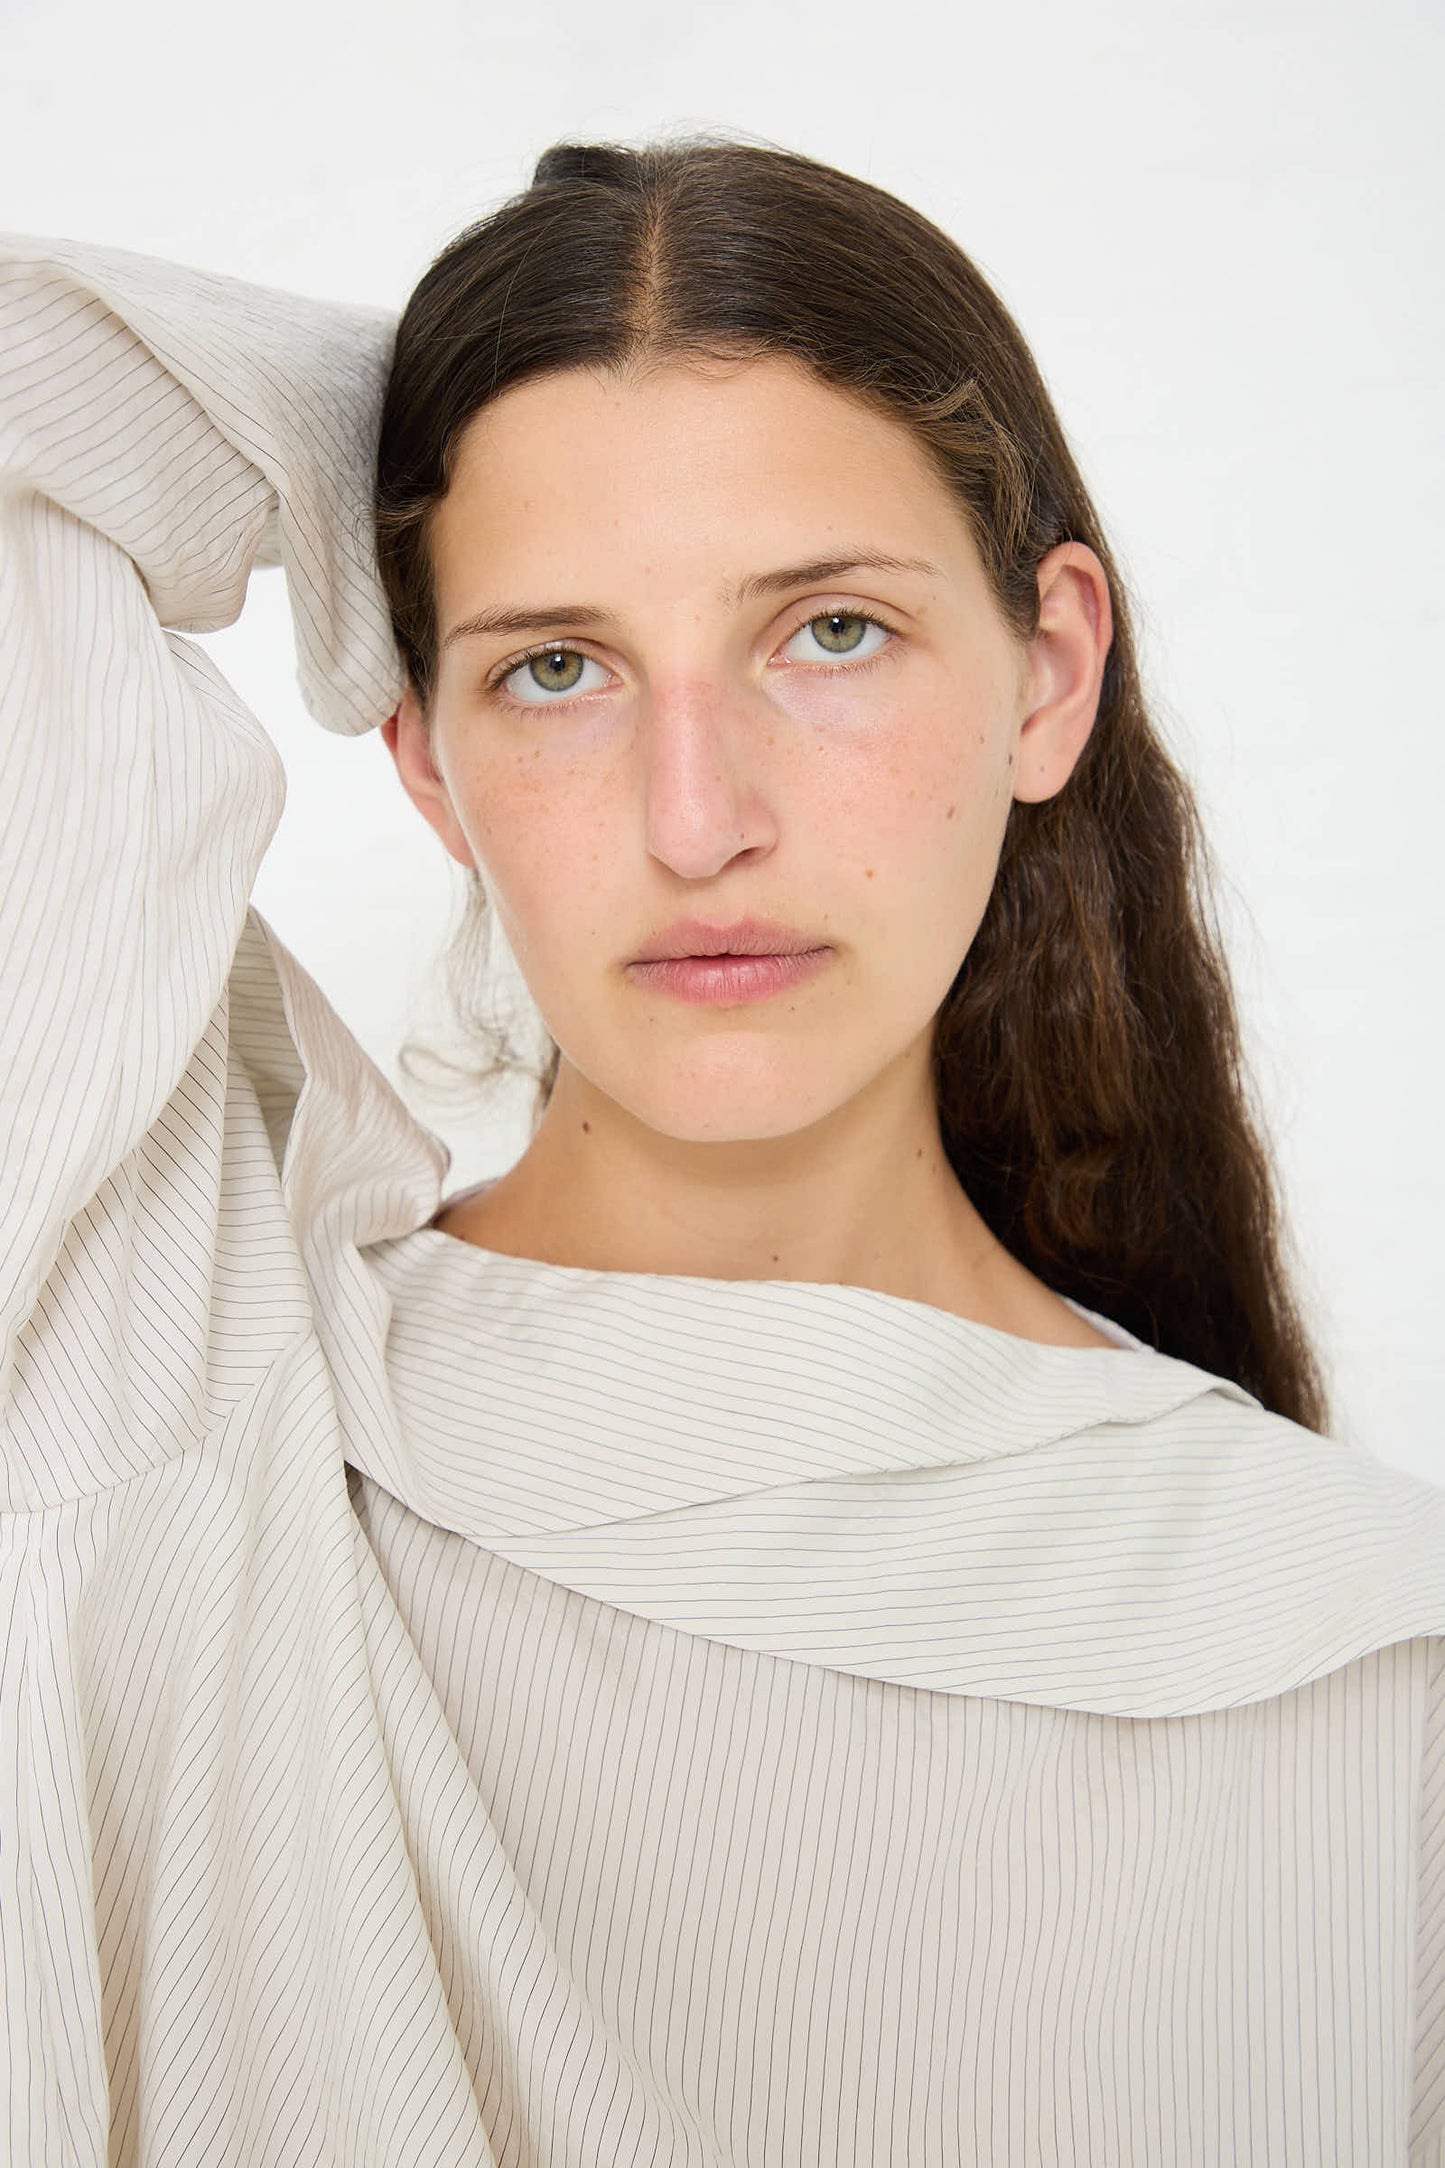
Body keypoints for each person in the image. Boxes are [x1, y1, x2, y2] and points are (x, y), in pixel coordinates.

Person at [2, 135, 1443, 2166]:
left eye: (827, 632)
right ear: (422, 757)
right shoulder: (204, 1404)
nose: (699, 818)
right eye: (555, 668)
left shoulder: (1374, 1664)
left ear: (1049, 671)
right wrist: (404, 416)